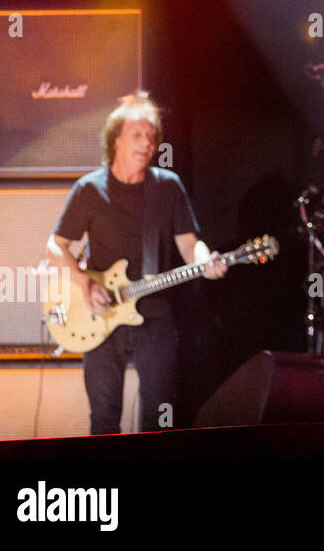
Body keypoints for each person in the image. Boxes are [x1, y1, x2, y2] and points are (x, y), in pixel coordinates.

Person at [45, 92, 226, 434]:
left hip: (154, 314)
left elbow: (190, 247)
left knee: (160, 417)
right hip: (98, 313)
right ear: (116, 139)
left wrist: (207, 261)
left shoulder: (167, 187)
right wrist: (85, 283)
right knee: (103, 417)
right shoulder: (89, 189)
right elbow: (56, 246)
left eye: (151, 136)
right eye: (137, 135)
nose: (147, 143)